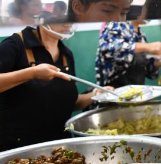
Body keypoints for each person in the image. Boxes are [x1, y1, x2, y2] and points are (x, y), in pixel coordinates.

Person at [0, 21, 105, 151]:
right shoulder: (14, 45)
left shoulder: (66, 54)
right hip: (21, 147)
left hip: (60, 146)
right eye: (62, 18)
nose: (68, 24)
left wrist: (95, 95)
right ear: (42, 18)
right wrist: (32, 73)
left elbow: (68, 102)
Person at [95, 18, 161, 88]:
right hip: (113, 94)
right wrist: (146, 47)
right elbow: (107, 49)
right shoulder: (116, 24)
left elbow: (143, 67)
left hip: (136, 95)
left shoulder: (140, 34)